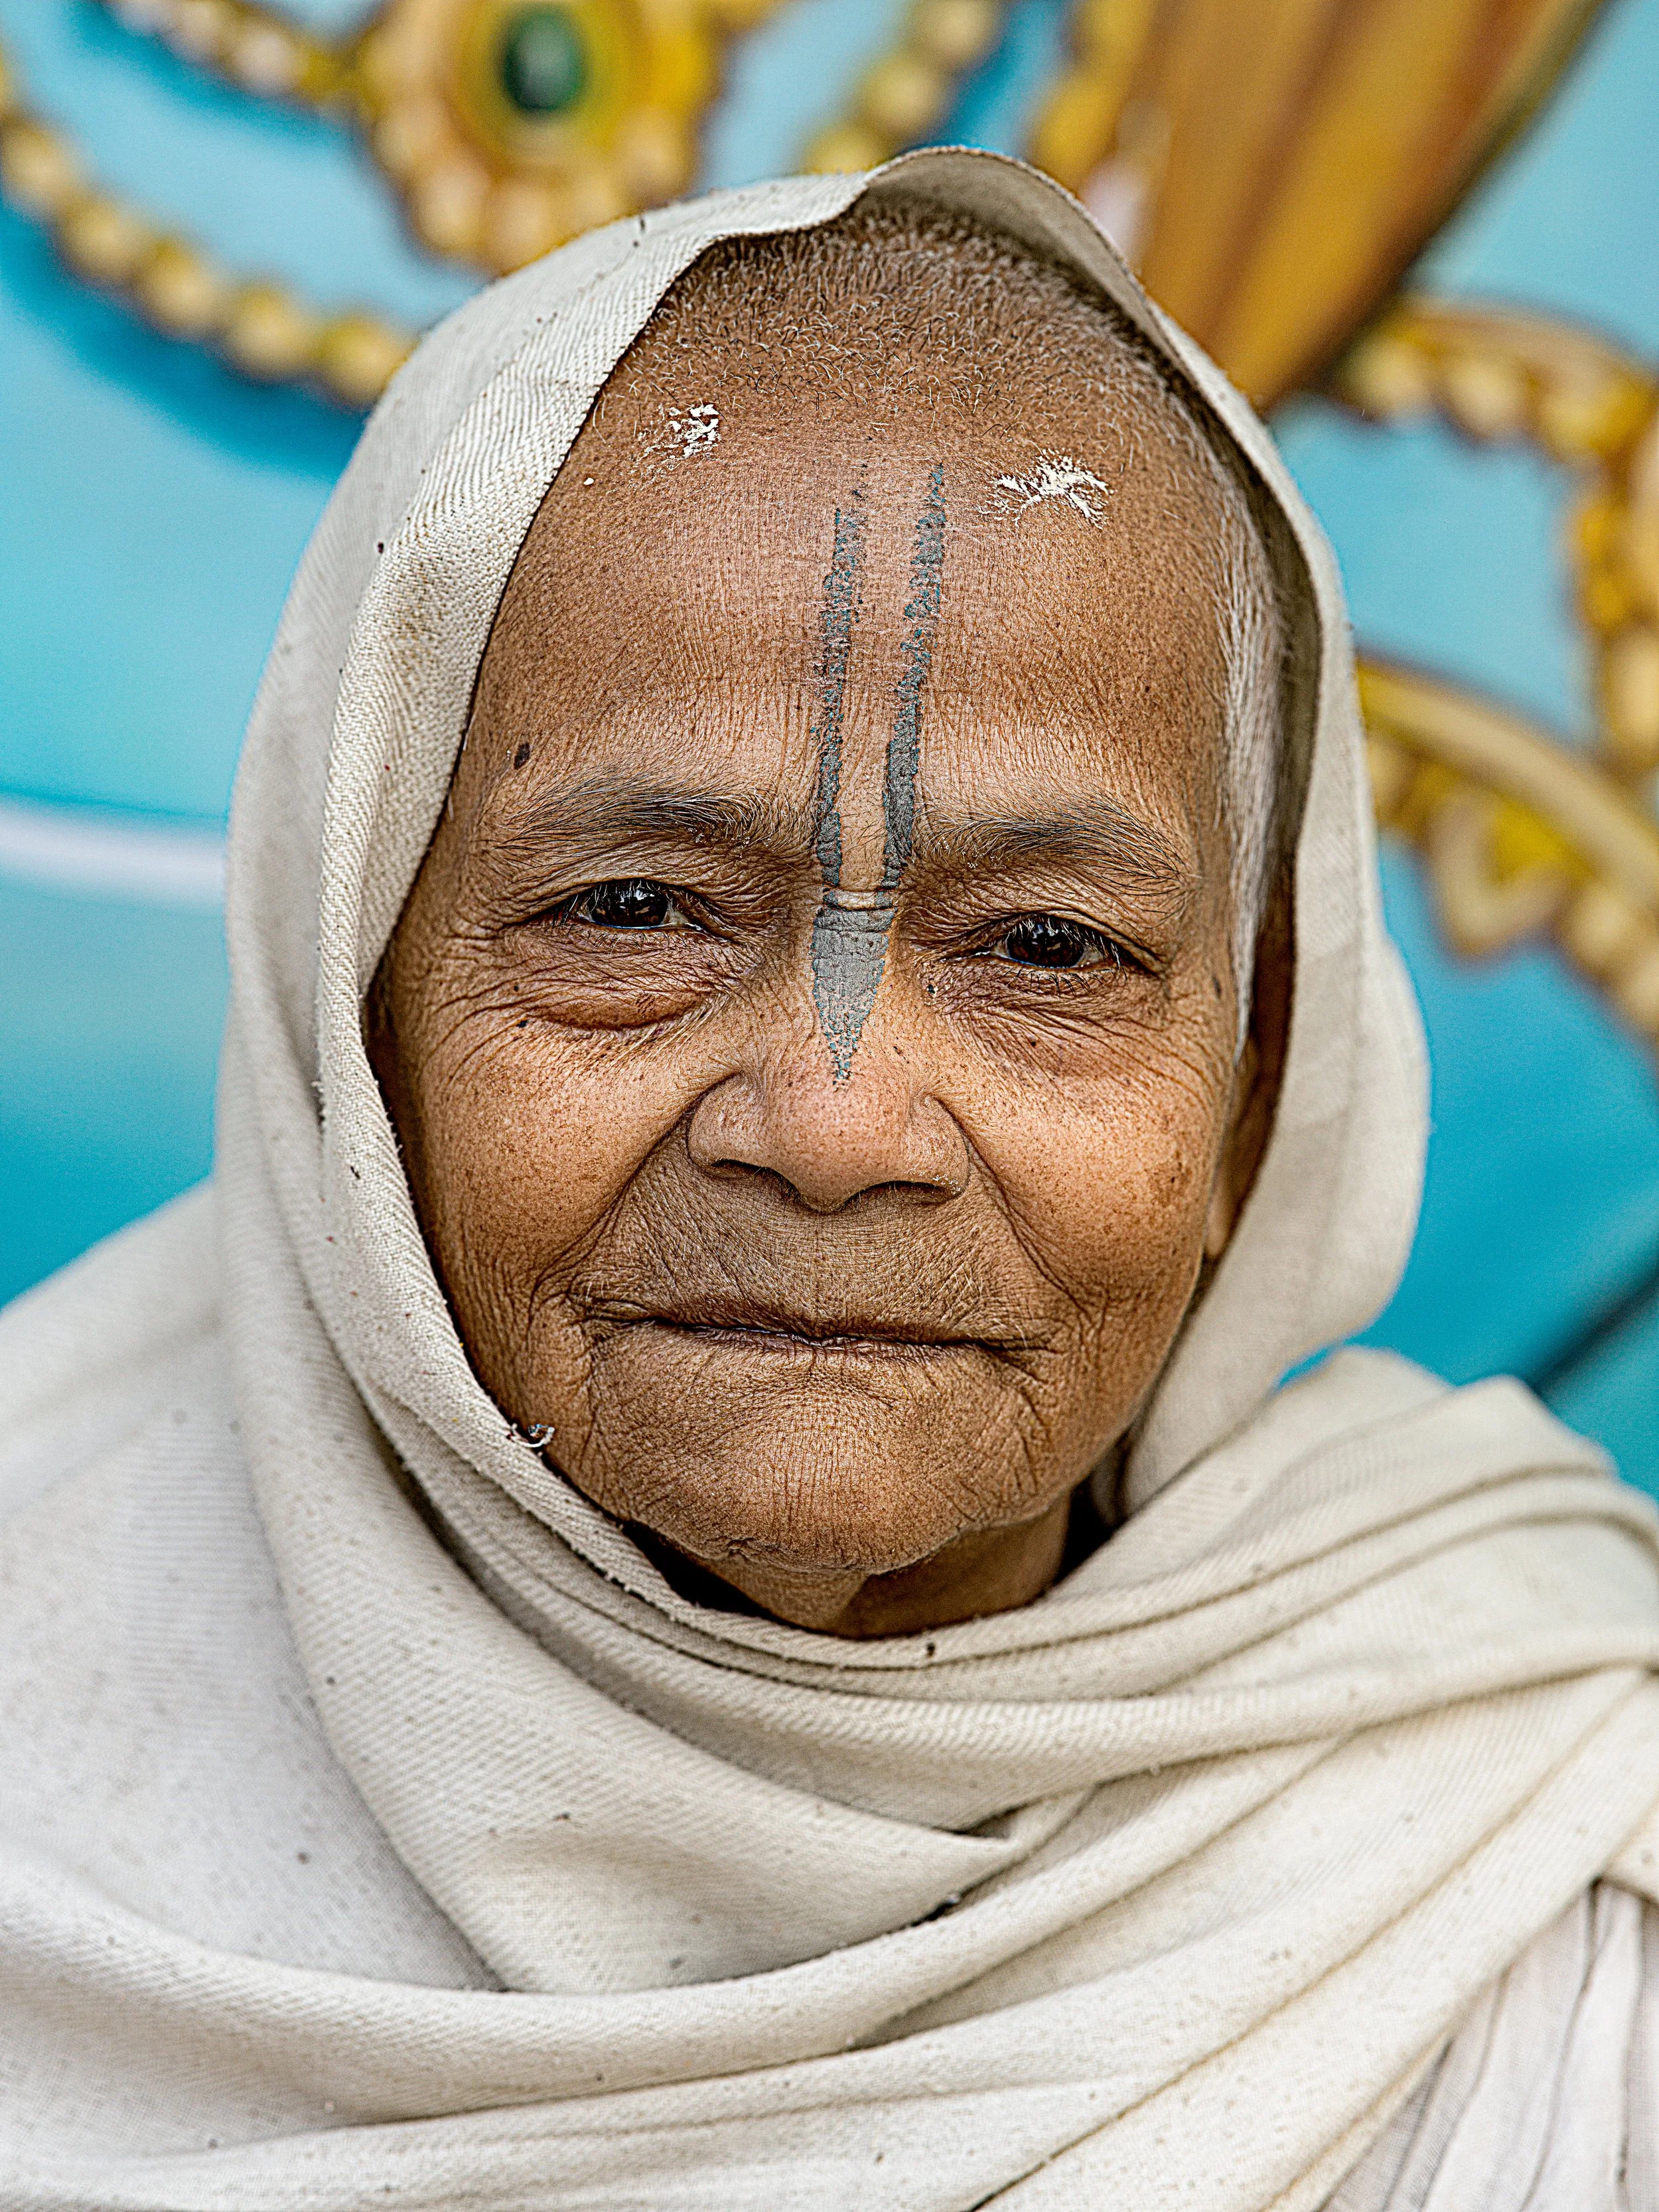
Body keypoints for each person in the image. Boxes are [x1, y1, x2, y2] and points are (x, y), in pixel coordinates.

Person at [3, 147, 1659, 2211]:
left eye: (1046, 947)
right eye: (632, 910)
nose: (835, 1124)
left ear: (1253, 1092)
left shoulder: (1549, 1851)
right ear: (351, 1022)